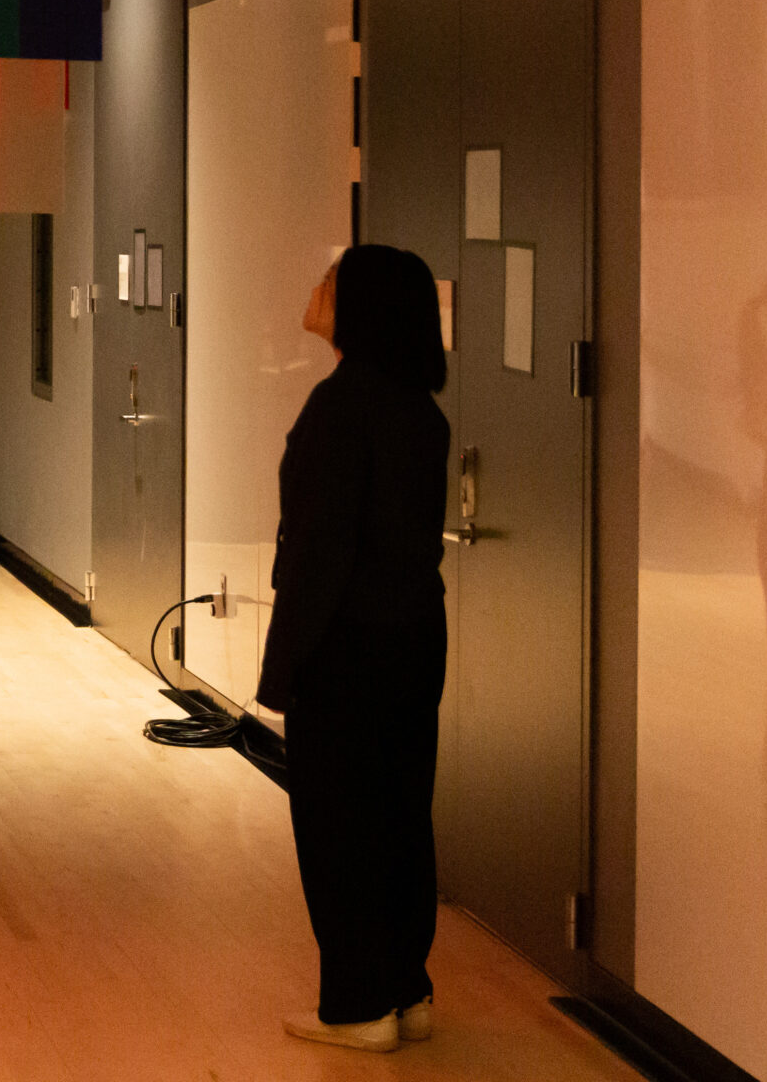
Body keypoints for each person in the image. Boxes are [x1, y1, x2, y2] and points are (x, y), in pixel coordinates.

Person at [256, 244, 452, 1054]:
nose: (315, 285)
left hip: (346, 644)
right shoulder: (418, 411)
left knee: (339, 826)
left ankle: (358, 1004)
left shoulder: (340, 409)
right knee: (401, 815)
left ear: (361, 307)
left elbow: (316, 555)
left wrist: (284, 664)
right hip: (412, 637)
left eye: (331, 279)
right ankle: (405, 988)